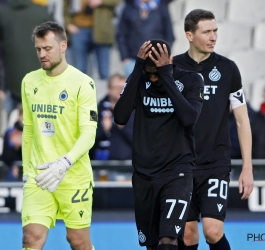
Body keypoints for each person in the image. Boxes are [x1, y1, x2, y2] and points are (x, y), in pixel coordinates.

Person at [173, 9, 254, 250]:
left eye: (215, 31)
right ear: (189, 35)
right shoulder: (173, 68)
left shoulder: (228, 69)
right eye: (206, 31)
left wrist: (247, 167)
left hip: (215, 163)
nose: (213, 37)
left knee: (212, 230)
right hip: (181, 164)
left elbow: (242, 120)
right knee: (187, 234)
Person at [114, 39, 204, 250]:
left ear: (169, 61)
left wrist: (166, 75)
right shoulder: (140, 77)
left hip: (177, 172)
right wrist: (137, 69)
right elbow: (120, 116)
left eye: (157, 72)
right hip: (144, 175)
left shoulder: (191, 80)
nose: (153, 78)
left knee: (168, 239)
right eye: (150, 72)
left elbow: (189, 118)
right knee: (153, 245)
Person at [21, 21, 97, 250]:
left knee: (78, 241)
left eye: (47, 48)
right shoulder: (29, 81)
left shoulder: (83, 83)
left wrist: (65, 163)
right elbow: (29, 130)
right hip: (40, 175)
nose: (42, 54)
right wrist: (27, 171)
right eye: (38, 49)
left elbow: (89, 133)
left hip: (73, 176)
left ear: (63, 46)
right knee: (31, 237)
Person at [0, 0, 51, 111]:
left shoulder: (2, 12)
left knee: (11, 120)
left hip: (11, 78)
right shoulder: (41, 12)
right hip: (37, 77)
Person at [64, 0, 120, 80]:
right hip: (78, 29)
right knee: (79, 70)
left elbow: (118, 1)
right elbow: (66, 6)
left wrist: (101, 2)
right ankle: (81, 91)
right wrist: (68, 23)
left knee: (104, 71)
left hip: (102, 29)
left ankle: (104, 92)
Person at [116, 0, 175, 77]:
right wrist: (125, 57)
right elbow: (121, 34)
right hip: (133, 60)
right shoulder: (129, 7)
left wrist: (164, 56)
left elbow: (169, 35)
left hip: (156, 61)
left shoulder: (162, 8)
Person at [92, 73, 134, 161]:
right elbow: (88, 138)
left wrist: (123, 127)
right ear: (109, 89)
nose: (121, 91)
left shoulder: (134, 109)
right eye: (117, 88)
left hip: (126, 163)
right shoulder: (96, 109)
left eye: (123, 87)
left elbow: (139, 141)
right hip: (100, 162)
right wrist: (103, 129)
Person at [1, 104, 23, 182]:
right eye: (23, 115)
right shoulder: (10, 133)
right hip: (12, 172)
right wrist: (16, 146)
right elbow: (5, 158)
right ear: (19, 116)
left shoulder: (34, 133)